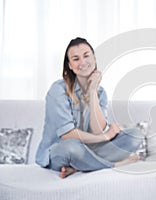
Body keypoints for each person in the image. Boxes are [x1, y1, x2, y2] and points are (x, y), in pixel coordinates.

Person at [35, 37, 144, 178]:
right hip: (60, 152)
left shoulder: (101, 93)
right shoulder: (58, 90)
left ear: (94, 58)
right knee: (72, 147)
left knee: (134, 135)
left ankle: (79, 167)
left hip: (88, 150)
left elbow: (97, 129)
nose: (83, 62)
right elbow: (67, 135)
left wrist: (93, 92)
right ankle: (114, 164)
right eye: (76, 59)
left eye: (86, 56)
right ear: (69, 65)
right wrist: (105, 137)